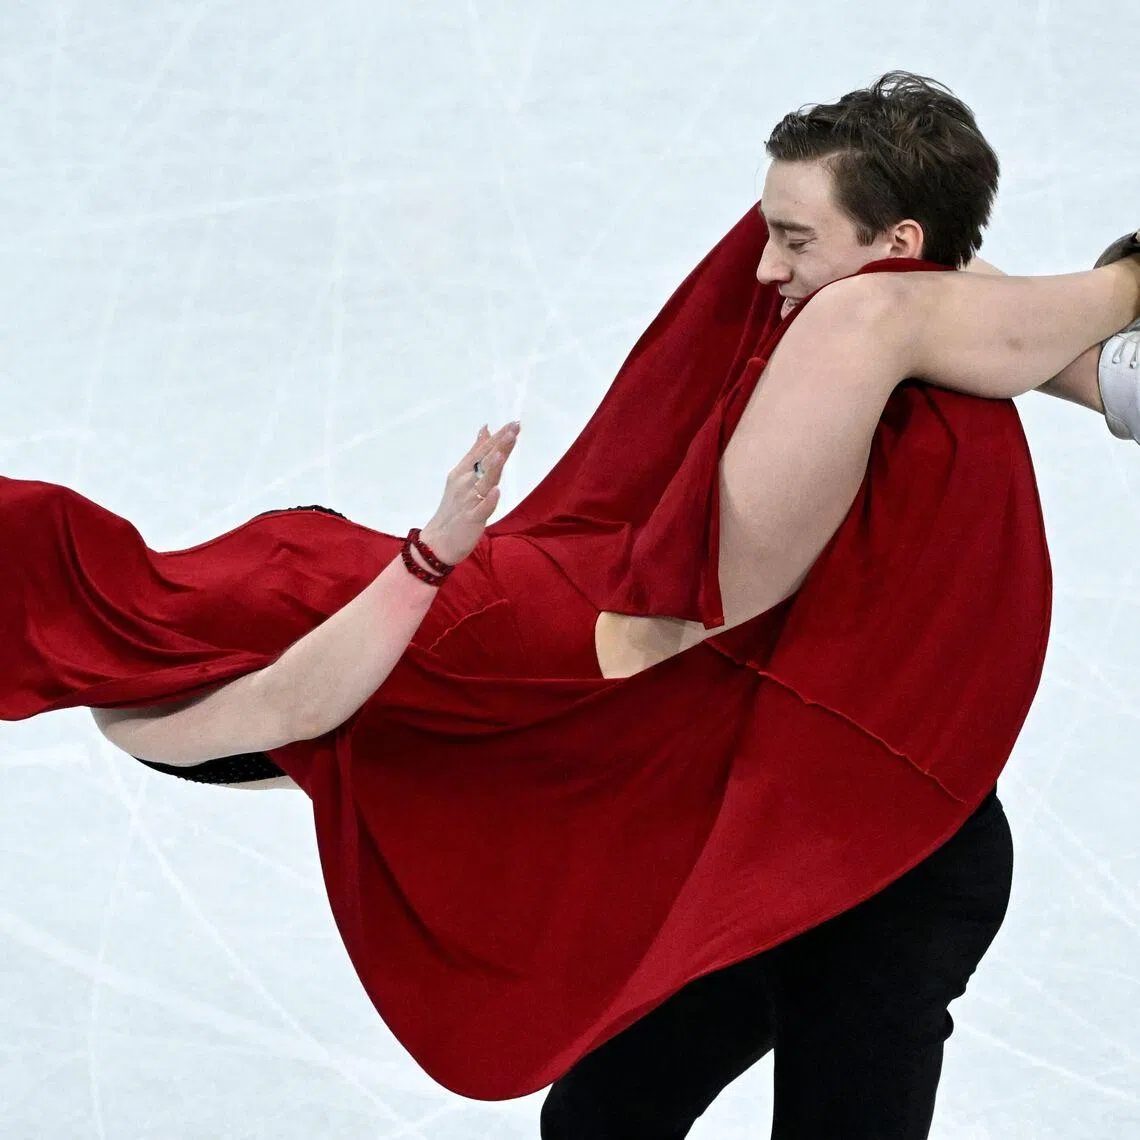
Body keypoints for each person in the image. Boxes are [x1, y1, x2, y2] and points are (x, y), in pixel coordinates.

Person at [2, 70, 1138, 1133]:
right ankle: (1119, 317)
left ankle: (1103, 361)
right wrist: (429, 562)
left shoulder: (187, 583)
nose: (766, 263)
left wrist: (446, 560)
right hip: (762, 808)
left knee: (869, 298)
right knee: (598, 1120)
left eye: (791, 237)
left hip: (859, 836)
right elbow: (297, 707)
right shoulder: (154, 704)